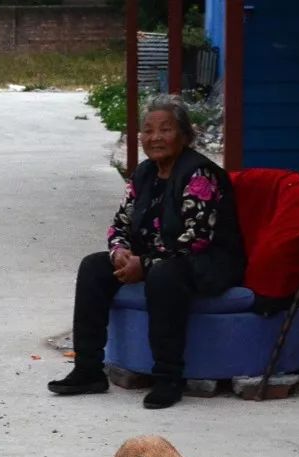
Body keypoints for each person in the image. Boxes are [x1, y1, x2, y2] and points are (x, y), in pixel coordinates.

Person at [48, 95, 246, 409]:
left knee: (164, 274)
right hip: (154, 259)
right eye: (148, 130)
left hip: (206, 262)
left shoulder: (199, 174)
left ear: (184, 135)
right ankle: (88, 369)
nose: (155, 137)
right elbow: (121, 223)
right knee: (93, 267)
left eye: (165, 129)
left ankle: (168, 378)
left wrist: (147, 263)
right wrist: (119, 253)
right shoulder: (143, 174)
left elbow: (196, 238)